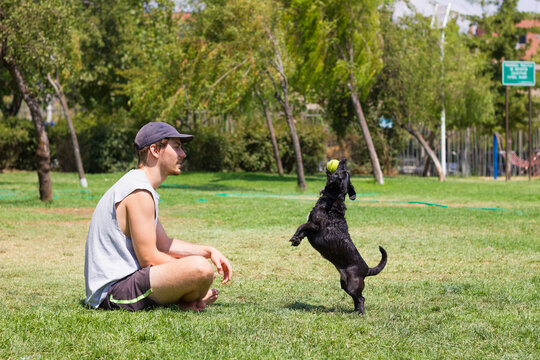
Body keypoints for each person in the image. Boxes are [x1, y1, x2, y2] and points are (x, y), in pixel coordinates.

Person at [84, 121, 232, 311]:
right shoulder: (138, 192)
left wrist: (208, 251)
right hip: (113, 293)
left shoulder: (139, 186)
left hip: (127, 284)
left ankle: (186, 300)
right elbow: (149, 257)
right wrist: (189, 274)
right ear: (155, 150)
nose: (183, 154)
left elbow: (163, 244)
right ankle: (188, 299)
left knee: (199, 267)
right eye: (177, 147)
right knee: (201, 269)